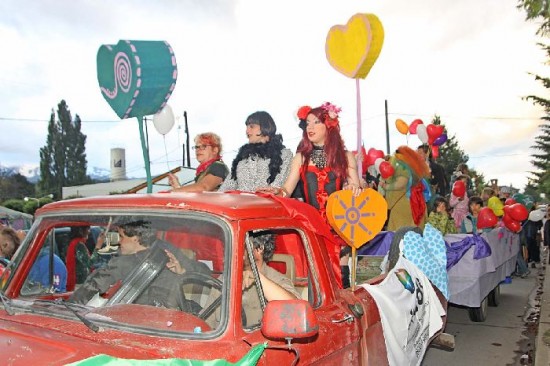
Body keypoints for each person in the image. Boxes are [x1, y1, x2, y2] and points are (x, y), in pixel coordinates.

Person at [259, 102, 361, 288]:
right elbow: (287, 190)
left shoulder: (345, 156)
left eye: (315, 122)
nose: (310, 127)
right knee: (318, 278)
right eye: (307, 123)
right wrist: (277, 191)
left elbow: (355, 184)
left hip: (340, 223)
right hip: (312, 225)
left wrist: (352, 187)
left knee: (341, 277)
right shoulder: (301, 157)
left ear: (329, 126)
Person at [166, 231, 300, 328]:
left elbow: (297, 312)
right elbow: (205, 324)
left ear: (259, 249)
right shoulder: (225, 279)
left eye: (239, 246)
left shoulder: (275, 281)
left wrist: (258, 278)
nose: (231, 251)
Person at [70, 220, 210, 310]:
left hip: (138, 327)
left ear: (136, 238)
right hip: (171, 323)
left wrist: (66, 309)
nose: (119, 242)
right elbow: (206, 273)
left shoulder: (121, 263)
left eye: (121, 236)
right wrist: (183, 271)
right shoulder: (168, 250)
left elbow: (90, 288)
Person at [218, 111, 292, 192]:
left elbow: (277, 187)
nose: (247, 131)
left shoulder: (284, 154)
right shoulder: (242, 157)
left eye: (251, 126)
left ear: (265, 127)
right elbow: (226, 187)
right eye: (247, 127)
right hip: (238, 203)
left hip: (267, 203)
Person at [380, 145, 431, 232]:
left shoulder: (401, 165)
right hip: (415, 201)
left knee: (399, 230)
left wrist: (386, 186)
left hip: (406, 203)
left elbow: (401, 182)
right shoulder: (412, 166)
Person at [65, 226, 105, 291]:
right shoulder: (79, 245)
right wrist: (98, 246)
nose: (89, 232)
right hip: (80, 285)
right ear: (81, 231)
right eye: (88, 229)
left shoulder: (74, 243)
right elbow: (90, 264)